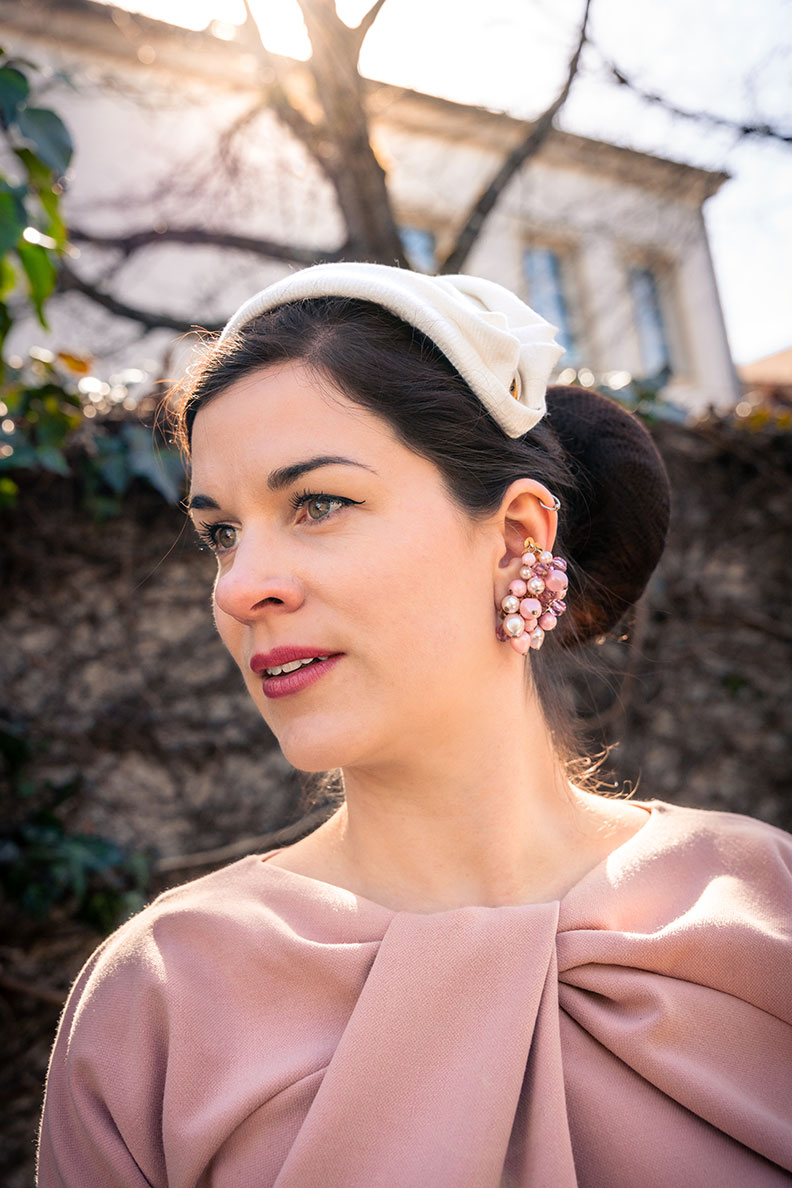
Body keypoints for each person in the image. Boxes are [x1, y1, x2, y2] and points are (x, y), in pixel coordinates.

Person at [38, 263, 792, 1187]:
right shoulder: (161, 994)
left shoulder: (765, 901)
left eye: (319, 503)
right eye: (220, 533)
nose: (238, 588)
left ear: (518, 536)